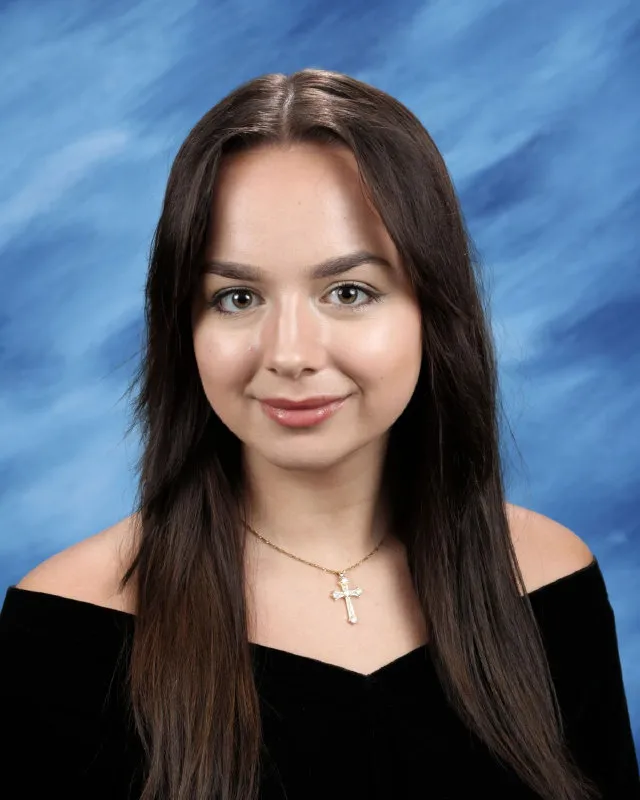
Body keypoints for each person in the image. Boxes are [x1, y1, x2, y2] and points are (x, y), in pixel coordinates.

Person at [0, 68, 638, 800]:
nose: (290, 352)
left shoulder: (551, 583)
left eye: (349, 292)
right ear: (183, 327)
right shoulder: (66, 631)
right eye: (237, 297)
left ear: (434, 309)